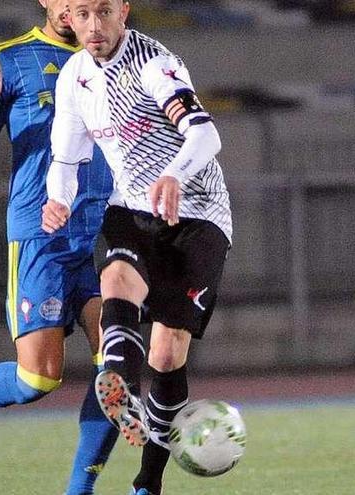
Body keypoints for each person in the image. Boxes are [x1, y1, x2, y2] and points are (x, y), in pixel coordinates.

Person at [0, 1, 120, 493]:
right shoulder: (13, 58)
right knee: (38, 380)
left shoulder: (122, 58)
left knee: (119, 370)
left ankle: (80, 489)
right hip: (41, 236)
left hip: (105, 233)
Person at [42, 1, 232, 494]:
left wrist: (174, 173)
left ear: (123, 10)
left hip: (198, 214)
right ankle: (120, 387)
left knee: (168, 355)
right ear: (69, 19)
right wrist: (56, 201)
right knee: (116, 280)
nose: (94, 25)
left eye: (103, 11)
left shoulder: (153, 62)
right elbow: (66, 158)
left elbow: (205, 134)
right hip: (131, 209)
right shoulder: (73, 79)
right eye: (82, 14)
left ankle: (148, 481)